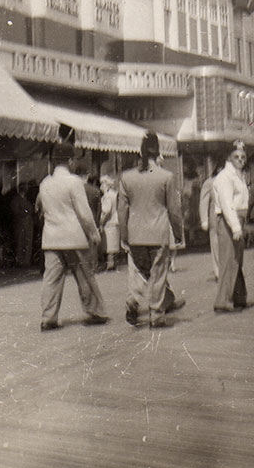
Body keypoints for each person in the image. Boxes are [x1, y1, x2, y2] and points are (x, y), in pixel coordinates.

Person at [35, 142, 108, 332]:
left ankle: (48, 317)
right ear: (69, 161)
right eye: (74, 159)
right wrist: (94, 234)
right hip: (73, 236)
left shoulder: (45, 183)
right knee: (84, 276)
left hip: (51, 238)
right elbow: (84, 213)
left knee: (51, 278)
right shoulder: (74, 182)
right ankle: (95, 311)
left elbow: (42, 210)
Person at [118, 132, 185, 328]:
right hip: (158, 234)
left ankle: (132, 301)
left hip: (135, 235)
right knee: (158, 273)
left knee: (139, 271)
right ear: (158, 153)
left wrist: (124, 236)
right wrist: (178, 234)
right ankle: (156, 315)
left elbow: (122, 211)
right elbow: (174, 210)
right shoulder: (166, 177)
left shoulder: (127, 177)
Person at [212, 142, 254, 313]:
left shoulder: (238, 176)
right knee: (229, 261)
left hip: (238, 220)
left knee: (236, 260)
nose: (240, 160)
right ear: (228, 157)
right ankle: (222, 301)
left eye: (243, 157)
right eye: (236, 157)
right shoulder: (225, 177)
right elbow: (227, 204)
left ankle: (239, 297)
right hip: (230, 221)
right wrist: (236, 227)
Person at [199, 163, 221, 282]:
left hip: (228, 219)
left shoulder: (232, 180)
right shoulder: (209, 182)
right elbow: (203, 202)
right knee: (216, 245)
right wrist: (204, 220)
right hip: (214, 219)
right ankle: (218, 272)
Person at [98, 175, 120, 270]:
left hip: (109, 222)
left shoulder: (107, 196)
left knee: (109, 244)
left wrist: (101, 222)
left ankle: (110, 264)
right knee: (113, 243)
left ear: (106, 185)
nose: (100, 187)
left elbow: (106, 211)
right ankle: (113, 263)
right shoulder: (114, 194)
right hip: (115, 219)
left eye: (102, 184)